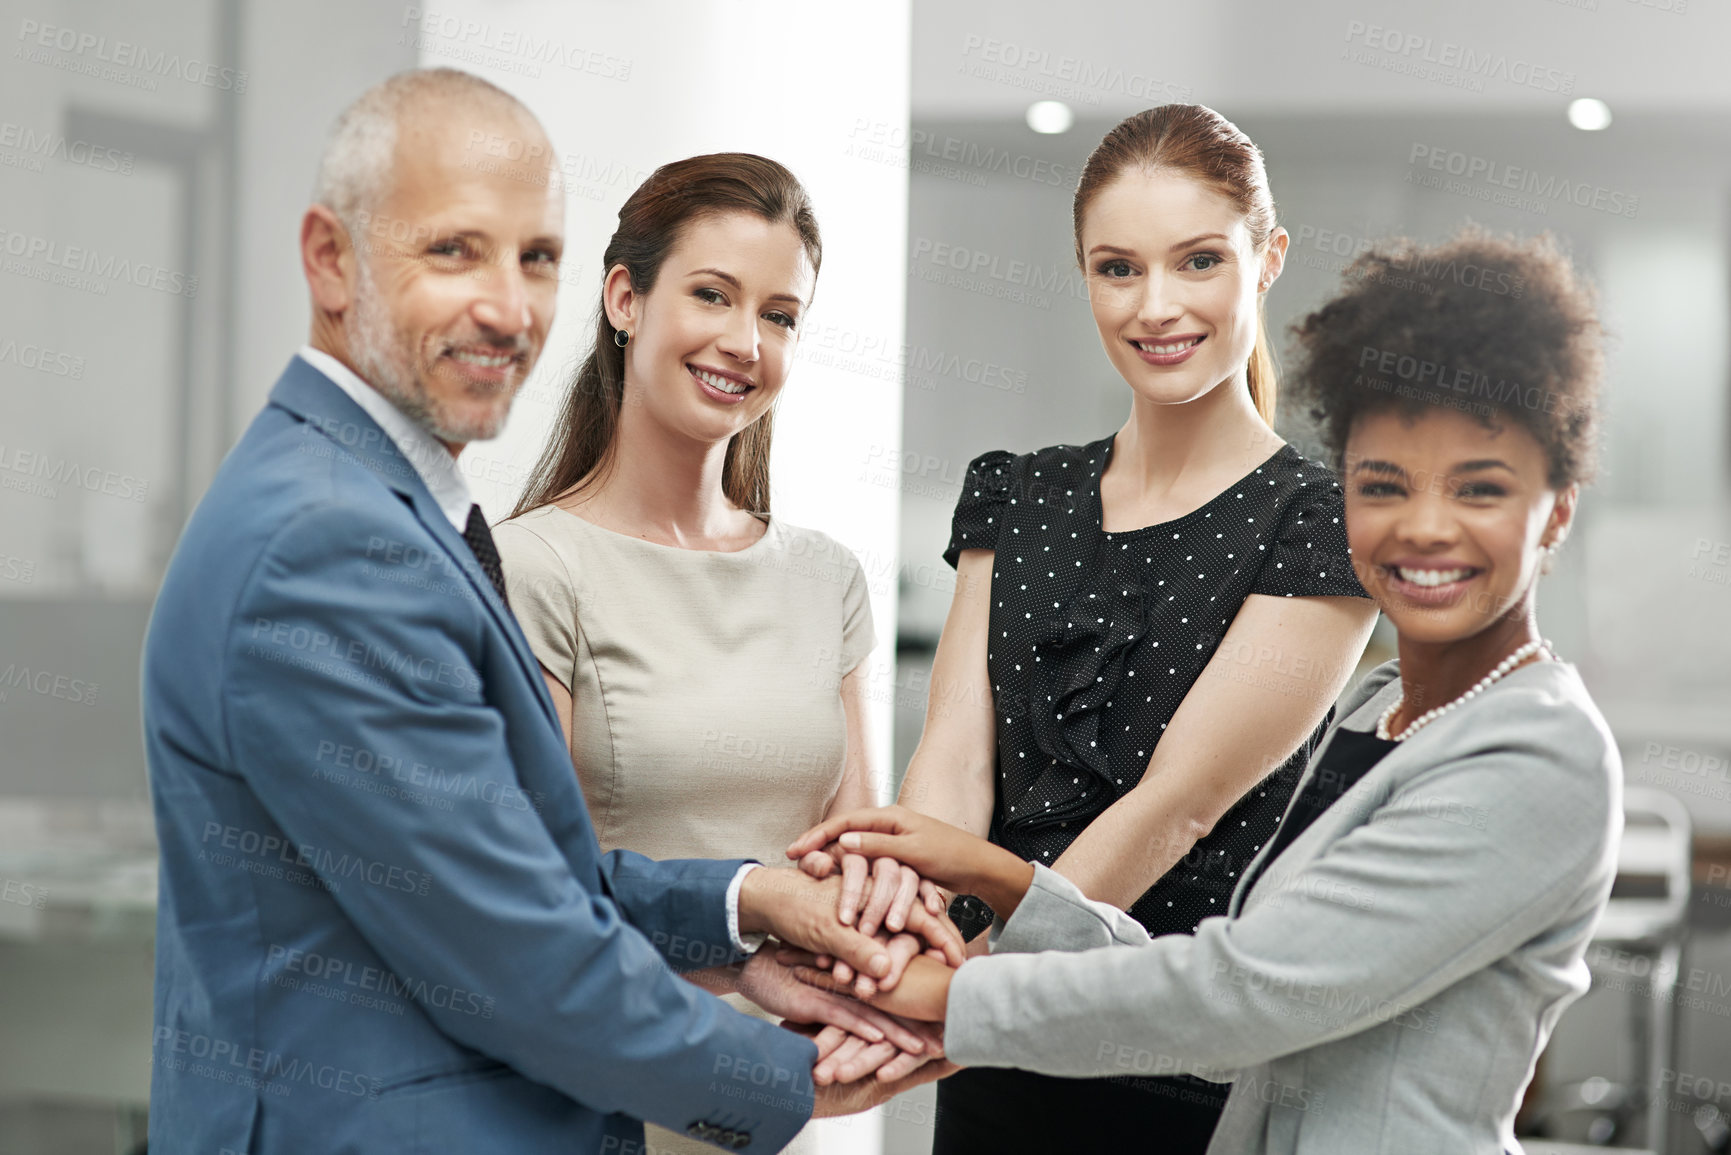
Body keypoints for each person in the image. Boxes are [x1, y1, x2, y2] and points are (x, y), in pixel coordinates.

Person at [141, 68, 950, 1155]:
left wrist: (745, 911)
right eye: (453, 251)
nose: (507, 307)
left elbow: (525, 871)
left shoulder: (376, 505)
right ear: (331, 261)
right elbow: (518, 954)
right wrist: (789, 1077)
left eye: (535, 259)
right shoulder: (329, 545)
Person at [787, 226, 1621, 1155]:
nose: (1424, 528)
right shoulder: (1376, 713)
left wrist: (942, 996)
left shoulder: (1537, 750)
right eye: (1382, 485)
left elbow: (1247, 995)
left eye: (1478, 490)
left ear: (1558, 508)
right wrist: (1005, 879)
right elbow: (1227, 991)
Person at [813, 104, 1379, 1152]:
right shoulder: (1017, 493)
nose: (1156, 305)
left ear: (1268, 260)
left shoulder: (1321, 521)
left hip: (1168, 1052)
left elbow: (1179, 808)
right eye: (1118, 269)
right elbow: (952, 760)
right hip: (992, 1053)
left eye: (1197, 261)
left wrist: (961, 1001)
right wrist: (905, 945)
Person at [493, 152, 953, 1155]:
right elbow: (538, 897)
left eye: (780, 316)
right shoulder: (533, 568)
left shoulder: (824, 576)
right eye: (713, 294)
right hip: (616, 1091)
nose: (745, 342)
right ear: (625, 297)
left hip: (808, 1084)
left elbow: (856, 853)